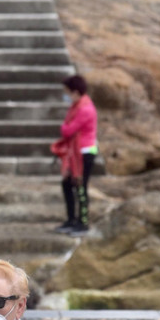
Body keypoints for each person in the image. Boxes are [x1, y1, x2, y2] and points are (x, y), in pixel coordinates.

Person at [52, 74, 98, 237]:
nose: (66, 96)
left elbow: (67, 130)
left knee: (81, 187)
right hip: (76, 154)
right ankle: (71, 219)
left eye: (67, 92)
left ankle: (83, 222)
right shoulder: (77, 107)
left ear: (76, 92)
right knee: (67, 185)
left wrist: (65, 127)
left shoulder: (84, 109)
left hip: (84, 153)